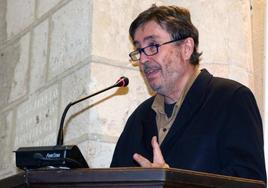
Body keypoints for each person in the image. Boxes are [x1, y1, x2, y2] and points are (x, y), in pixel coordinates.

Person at [110, 4, 266, 182]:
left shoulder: (231, 99)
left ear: (186, 48)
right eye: (139, 50)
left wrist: (171, 182)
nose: (143, 59)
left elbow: (250, 183)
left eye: (152, 46)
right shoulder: (138, 118)